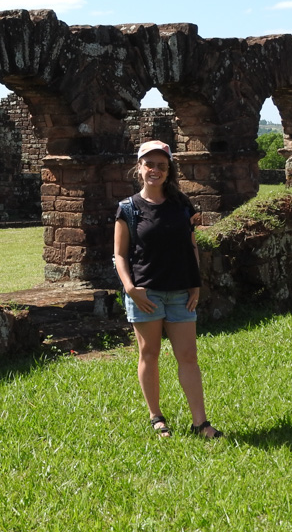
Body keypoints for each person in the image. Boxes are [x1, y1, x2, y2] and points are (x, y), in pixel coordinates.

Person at [113, 140, 223, 439]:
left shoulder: (181, 204)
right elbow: (120, 254)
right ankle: (156, 417)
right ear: (139, 167)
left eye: (162, 165)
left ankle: (200, 423)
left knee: (188, 355)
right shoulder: (128, 208)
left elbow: (191, 245)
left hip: (180, 292)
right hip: (145, 293)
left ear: (169, 169)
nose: (155, 170)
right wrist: (130, 288)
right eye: (150, 164)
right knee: (149, 353)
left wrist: (195, 282)